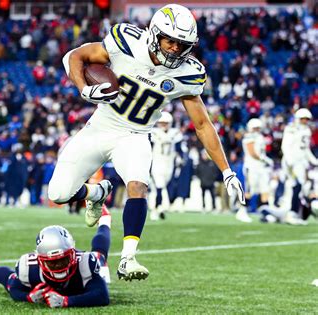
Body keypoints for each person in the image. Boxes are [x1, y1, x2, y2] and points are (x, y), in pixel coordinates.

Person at [48, 4, 245, 281]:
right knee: (57, 193)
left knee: (138, 185)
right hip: (101, 127)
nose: (176, 49)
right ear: (154, 34)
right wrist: (84, 88)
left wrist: (227, 171)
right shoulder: (126, 43)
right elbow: (74, 56)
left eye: (182, 44)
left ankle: (128, 258)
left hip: (136, 134)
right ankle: (95, 193)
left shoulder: (188, 73)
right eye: (171, 41)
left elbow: (202, 125)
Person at [0, 208, 111, 308]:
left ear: (72, 254)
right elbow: (13, 287)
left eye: (62, 260)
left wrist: (67, 301)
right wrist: (28, 297)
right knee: (9, 278)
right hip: (42, 277)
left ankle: (104, 220)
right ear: (40, 260)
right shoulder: (29, 268)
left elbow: (102, 296)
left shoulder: (85, 264)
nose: (59, 267)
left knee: (99, 257)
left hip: (78, 279)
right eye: (53, 263)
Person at [280, 108, 317, 225]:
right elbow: (285, 146)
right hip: (291, 161)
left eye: (307, 119)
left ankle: (293, 213)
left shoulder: (307, 130)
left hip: (301, 163)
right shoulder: (291, 129)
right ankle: (291, 213)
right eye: (303, 118)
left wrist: (314, 161)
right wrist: (289, 160)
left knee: (300, 187)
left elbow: (305, 149)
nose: (305, 121)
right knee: (295, 185)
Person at [238, 118, 273, 223]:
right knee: (250, 190)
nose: (257, 130)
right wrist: (264, 159)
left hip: (261, 167)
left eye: (258, 128)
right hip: (251, 166)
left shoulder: (260, 137)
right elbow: (252, 152)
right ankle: (242, 211)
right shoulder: (249, 137)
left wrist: (264, 160)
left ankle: (265, 213)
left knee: (264, 189)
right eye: (255, 128)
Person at [149, 111, 182, 220]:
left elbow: (179, 148)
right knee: (158, 187)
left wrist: (180, 158)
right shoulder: (154, 132)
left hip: (169, 164)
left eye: (165, 123)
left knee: (166, 186)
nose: (163, 125)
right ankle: (157, 208)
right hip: (157, 163)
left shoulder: (175, 133)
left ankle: (160, 208)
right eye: (161, 122)